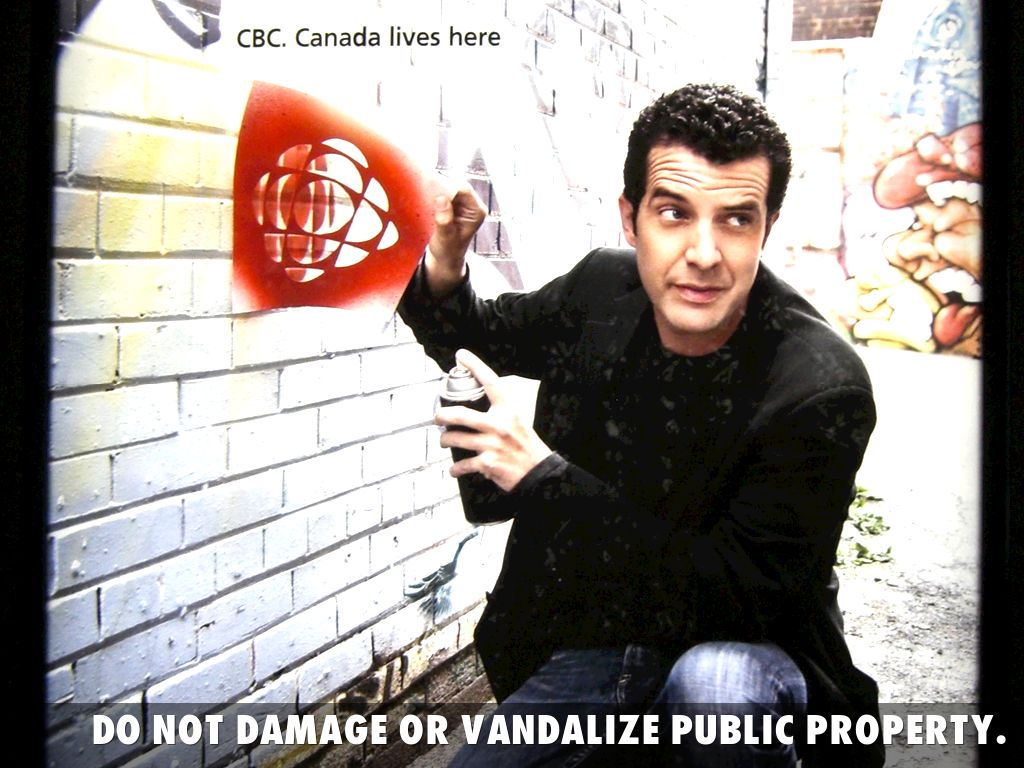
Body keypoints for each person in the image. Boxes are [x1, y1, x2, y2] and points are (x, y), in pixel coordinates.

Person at [397, 83, 883, 767]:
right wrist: (448, 259)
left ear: (767, 228)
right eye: (674, 213)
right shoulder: (602, 290)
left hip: (742, 651)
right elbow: (479, 338)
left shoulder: (818, 387)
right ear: (631, 219)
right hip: (601, 642)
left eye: (736, 219)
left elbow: (740, 594)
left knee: (715, 687)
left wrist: (544, 477)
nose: (704, 253)